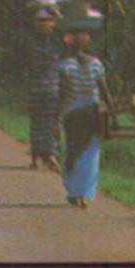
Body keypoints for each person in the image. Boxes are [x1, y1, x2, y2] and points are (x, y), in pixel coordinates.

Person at [56, 25, 110, 208]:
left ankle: (75, 192)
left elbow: (64, 95)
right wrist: (112, 113)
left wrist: (58, 118)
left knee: (74, 151)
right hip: (93, 114)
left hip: (73, 114)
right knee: (90, 154)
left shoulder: (66, 65)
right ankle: (86, 195)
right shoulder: (96, 64)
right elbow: (104, 91)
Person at [26, 0, 63, 172]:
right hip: (36, 88)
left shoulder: (57, 43)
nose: (44, 26)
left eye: (47, 22)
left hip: (53, 89)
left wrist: (57, 14)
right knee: (37, 122)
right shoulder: (31, 43)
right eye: (41, 23)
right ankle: (37, 156)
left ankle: (51, 155)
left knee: (52, 122)